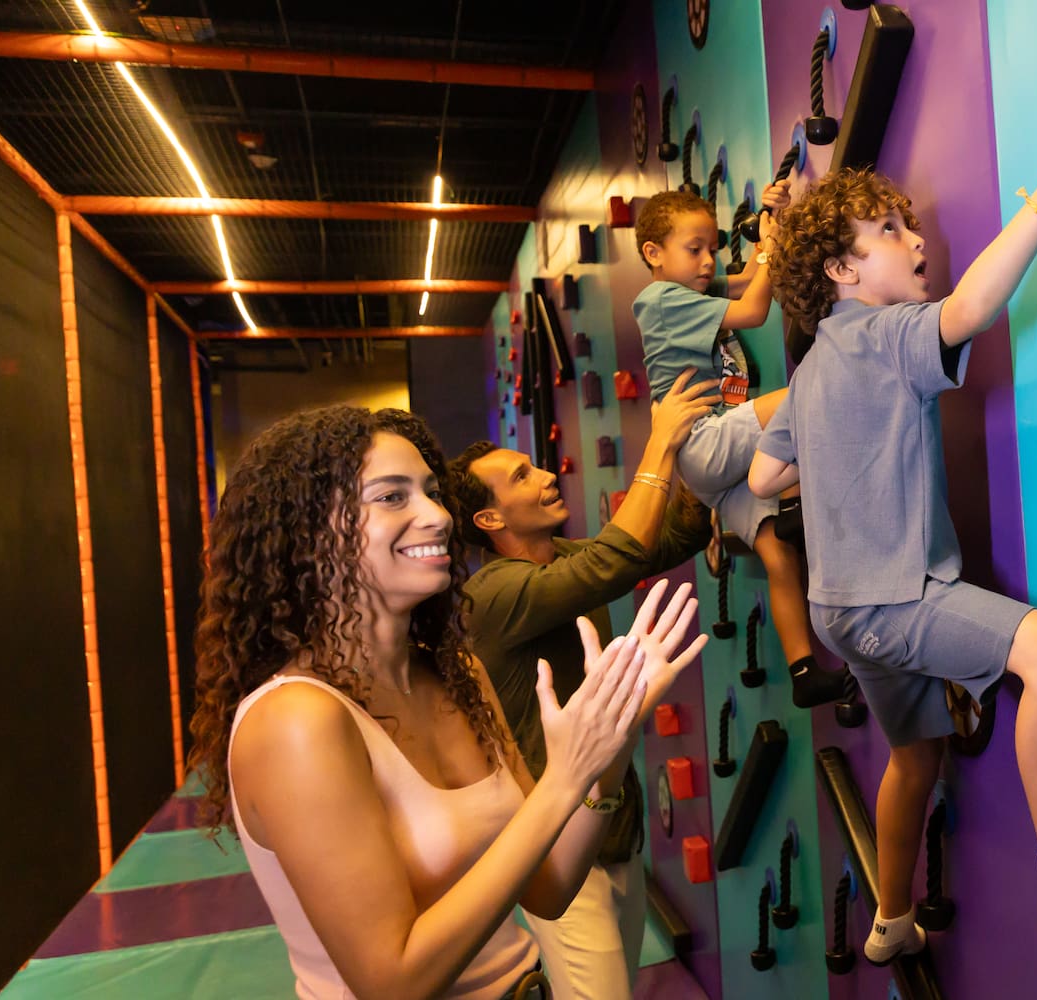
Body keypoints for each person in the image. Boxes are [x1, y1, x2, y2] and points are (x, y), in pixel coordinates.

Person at [750, 87, 1037, 963]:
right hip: (896, 598)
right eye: (890, 231)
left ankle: (888, 920)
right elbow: (971, 311)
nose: (917, 241)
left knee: (914, 756)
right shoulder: (887, 336)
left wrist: (839, 446)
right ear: (842, 272)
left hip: (840, 612)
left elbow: (768, 473)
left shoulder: (810, 369)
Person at [187, 405, 704, 998]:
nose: (435, 515)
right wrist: (565, 778)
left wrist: (612, 737)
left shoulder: (457, 674)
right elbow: (394, 982)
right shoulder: (296, 720)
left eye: (432, 493)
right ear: (307, 531)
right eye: (391, 497)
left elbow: (551, 887)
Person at [443, 371, 719, 995]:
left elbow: (666, 539)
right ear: (489, 518)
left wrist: (703, 444)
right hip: (560, 853)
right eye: (521, 478)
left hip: (611, 827)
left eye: (537, 467)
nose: (545, 478)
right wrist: (658, 443)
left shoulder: (559, 560)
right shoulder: (494, 592)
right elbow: (616, 560)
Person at [632, 181, 851, 709]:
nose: (708, 260)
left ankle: (803, 670)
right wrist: (769, 249)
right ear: (653, 254)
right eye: (695, 249)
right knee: (807, 390)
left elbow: (757, 276)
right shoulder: (661, 299)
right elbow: (755, 309)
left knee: (779, 555)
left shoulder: (689, 291)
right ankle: (817, 483)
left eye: (711, 248)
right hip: (706, 438)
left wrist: (770, 223)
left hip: (714, 464)